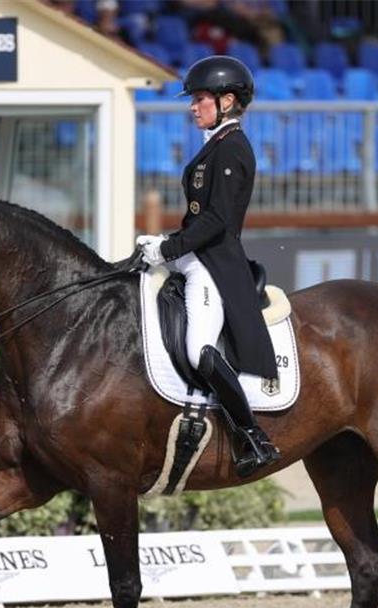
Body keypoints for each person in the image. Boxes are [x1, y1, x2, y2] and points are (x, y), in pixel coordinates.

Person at [135, 55, 280, 478]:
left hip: (213, 265)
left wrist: (169, 247)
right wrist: (163, 247)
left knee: (200, 348)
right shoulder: (216, 144)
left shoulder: (233, 147)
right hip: (193, 257)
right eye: (194, 99)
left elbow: (217, 221)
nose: (192, 107)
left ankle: (252, 435)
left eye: (199, 99)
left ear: (227, 100)